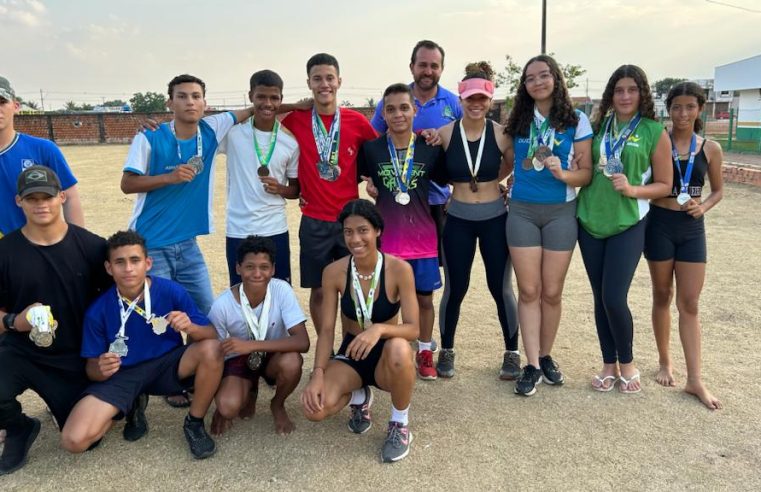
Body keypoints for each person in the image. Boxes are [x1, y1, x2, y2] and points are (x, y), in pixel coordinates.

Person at [60, 230, 224, 459]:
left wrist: (191, 327)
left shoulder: (171, 291)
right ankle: (129, 405)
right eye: (120, 262)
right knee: (74, 440)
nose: (128, 268)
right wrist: (101, 368)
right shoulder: (97, 310)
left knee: (211, 350)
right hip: (123, 375)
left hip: (167, 365)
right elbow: (91, 368)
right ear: (109, 268)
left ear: (147, 263)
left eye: (134, 260)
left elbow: (212, 334)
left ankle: (194, 423)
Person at [0, 166, 110, 475]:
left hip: (75, 358)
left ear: (62, 197)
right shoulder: (4, 252)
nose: (41, 205)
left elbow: (118, 306)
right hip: (24, 352)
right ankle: (18, 427)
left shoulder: (92, 247)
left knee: (86, 440)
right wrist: (14, 320)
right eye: (31, 198)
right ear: (18, 201)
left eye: (47, 197)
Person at [121, 74, 256, 315]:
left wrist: (302, 106)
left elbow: (256, 108)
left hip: (188, 244)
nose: (190, 102)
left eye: (196, 96)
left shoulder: (212, 128)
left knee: (205, 314)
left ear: (205, 103)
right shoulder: (149, 136)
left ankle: (197, 354)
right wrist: (169, 178)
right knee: (159, 317)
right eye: (181, 97)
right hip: (152, 243)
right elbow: (127, 184)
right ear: (170, 103)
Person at [576, 65, 672, 394]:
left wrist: (632, 190)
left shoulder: (652, 131)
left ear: (642, 93)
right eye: (619, 90)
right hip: (589, 220)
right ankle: (607, 363)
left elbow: (664, 184)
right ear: (611, 95)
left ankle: (627, 362)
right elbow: (586, 168)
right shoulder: (598, 127)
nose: (625, 96)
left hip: (628, 222)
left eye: (632, 89)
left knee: (614, 296)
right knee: (600, 297)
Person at [301, 199, 419, 463]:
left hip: (387, 353)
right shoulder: (334, 272)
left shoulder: (400, 269)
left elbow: (413, 328)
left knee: (400, 347)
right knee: (314, 410)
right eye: (348, 232)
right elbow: (328, 330)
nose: (355, 239)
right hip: (352, 353)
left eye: (363, 230)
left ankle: (399, 424)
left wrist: (378, 329)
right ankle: (360, 394)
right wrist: (317, 374)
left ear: (377, 230)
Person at [503, 55, 593, 396]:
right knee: (529, 291)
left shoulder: (577, 120)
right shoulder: (518, 120)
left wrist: (563, 174)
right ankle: (532, 364)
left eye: (544, 75)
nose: (537, 82)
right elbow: (500, 156)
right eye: (530, 78)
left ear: (556, 78)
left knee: (552, 292)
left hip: (561, 212)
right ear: (524, 86)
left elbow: (586, 174)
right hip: (523, 212)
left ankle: (546, 354)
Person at [427, 64, 520, 380]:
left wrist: (497, 183)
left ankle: (512, 353)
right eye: (470, 98)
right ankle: (448, 350)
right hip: (459, 219)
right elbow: (426, 161)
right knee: (456, 288)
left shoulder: (501, 134)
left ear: (490, 99)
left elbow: (510, 164)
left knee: (500, 287)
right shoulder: (444, 134)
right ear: (461, 98)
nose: (476, 104)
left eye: (482, 98)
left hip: (495, 217)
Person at [281, 54, 377, 334]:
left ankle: (350, 346)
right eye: (317, 78)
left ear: (339, 81)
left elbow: (380, 152)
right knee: (320, 291)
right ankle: (326, 347)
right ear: (309, 82)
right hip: (313, 220)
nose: (324, 84)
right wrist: (296, 104)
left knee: (352, 289)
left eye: (329, 78)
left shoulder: (356, 121)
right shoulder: (297, 119)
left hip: (349, 221)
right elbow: (263, 111)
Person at [644, 82, 724, 409]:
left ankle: (695, 379)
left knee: (689, 303)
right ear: (668, 109)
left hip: (692, 228)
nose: (682, 113)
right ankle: (665, 361)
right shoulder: (657, 141)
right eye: (676, 107)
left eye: (690, 107)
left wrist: (702, 206)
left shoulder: (710, 148)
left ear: (700, 109)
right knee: (662, 295)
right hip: (659, 224)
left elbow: (717, 190)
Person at [359, 83, 444, 380]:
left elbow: (447, 181)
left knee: (424, 300)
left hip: (423, 239)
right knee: (385, 302)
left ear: (414, 110)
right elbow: (361, 178)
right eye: (391, 109)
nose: (398, 114)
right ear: (383, 113)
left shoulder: (429, 147)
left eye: (404, 108)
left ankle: (424, 350)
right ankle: (388, 351)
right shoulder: (371, 149)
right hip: (388, 243)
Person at [370, 40, 462, 278]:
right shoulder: (393, 101)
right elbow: (372, 142)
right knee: (392, 279)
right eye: (422, 65)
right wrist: (372, 178)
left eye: (434, 65)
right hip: (396, 205)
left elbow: (466, 145)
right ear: (412, 66)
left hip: (437, 202)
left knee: (433, 278)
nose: (428, 71)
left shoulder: (453, 103)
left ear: (442, 69)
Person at [208, 235, 309, 435]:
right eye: (249, 267)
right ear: (238, 268)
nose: (257, 273)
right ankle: (250, 388)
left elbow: (302, 342)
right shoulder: (222, 305)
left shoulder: (281, 290)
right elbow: (213, 355)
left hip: (272, 357)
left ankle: (277, 404)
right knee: (228, 407)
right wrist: (218, 409)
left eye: (264, 267)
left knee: (292, 362)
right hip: (239, 358)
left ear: (272, 269)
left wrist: (253, 346)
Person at [218, 70, 300, 286]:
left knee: (280, 292)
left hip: (275, 228)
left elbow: (296, 190)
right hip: (239, 228)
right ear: (250, 96)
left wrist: (280, 189)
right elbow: (198, 129)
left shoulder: (289, 142)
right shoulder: (232, 133)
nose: (268, 103)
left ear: (281, 99)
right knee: (240, 292)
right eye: (261, 97)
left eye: (274, 98)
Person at [0, 76, 84, 237]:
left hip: (37, 248)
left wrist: (78, 244)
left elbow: (70, 197)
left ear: (16, 106)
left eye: (2, 102)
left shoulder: (42, 149)